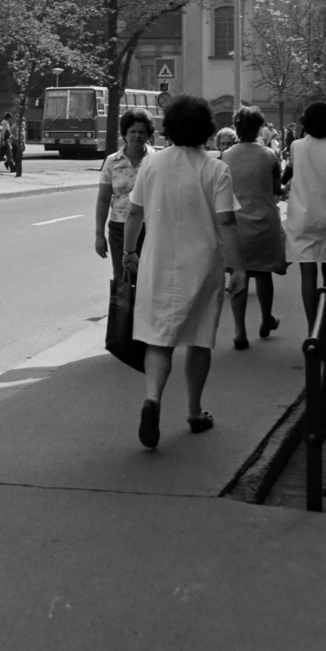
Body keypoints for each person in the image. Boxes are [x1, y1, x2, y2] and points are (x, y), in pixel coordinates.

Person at [122, 95, 239, 449]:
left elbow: (133, 213)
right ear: (206, 128)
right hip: (202, 266)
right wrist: (239, 267)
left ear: (168, 127)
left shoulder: (152, 165)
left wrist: (129, 251)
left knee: (159, 337)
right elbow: (228, 223)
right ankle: (193, 410)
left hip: (157, 263)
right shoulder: (215, 169)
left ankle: (153, 398)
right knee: (199, 338)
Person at [283, 100, 326, 335]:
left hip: (302, 216)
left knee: (307, 274)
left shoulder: (296, 146)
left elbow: (294, 172)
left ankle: (313, 329)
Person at [220, 106, 287, 345]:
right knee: (263, 273)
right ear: (260, 128)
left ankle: (239, 331)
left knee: (239, 275)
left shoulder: (225, 156)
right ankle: (266, 318)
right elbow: (276, 188)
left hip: (236, 224)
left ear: (237, 129)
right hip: (264, 222)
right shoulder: (269, 155)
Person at [94, 108, 156, 282]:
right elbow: (104, 200)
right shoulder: (112, 161)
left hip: (149, 229)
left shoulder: (156, 161)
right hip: (119, 229)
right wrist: (99, 234)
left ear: (149, 134)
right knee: (122, 277)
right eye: (132, 131)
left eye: (142, 132)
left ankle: (142, 310)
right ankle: (122, 310)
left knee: (147, 278)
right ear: (124, 134)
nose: (137, 136)